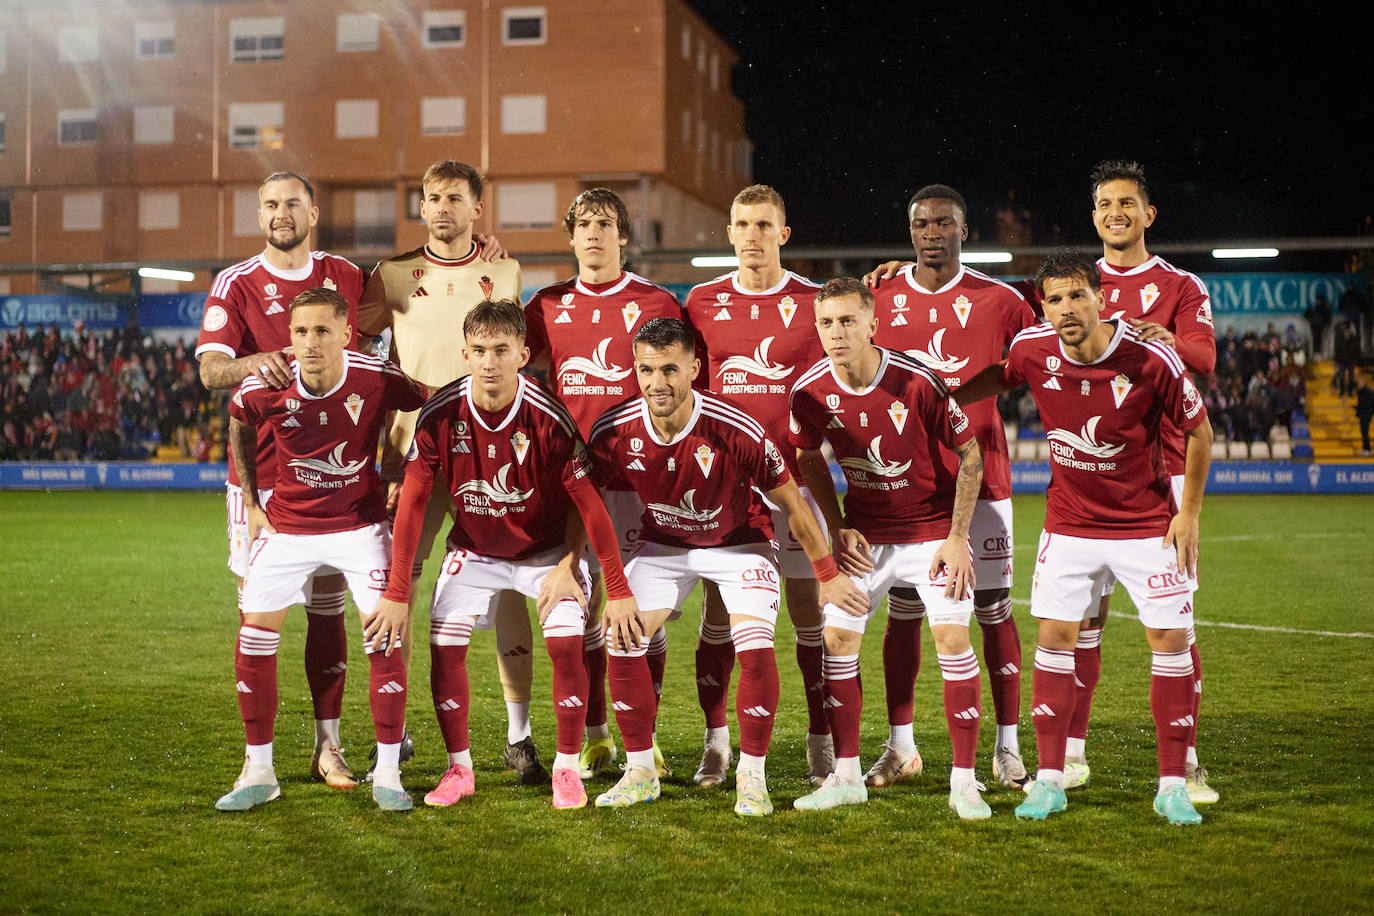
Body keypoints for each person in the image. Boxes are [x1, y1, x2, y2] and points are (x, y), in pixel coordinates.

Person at [954, 249, 1213, 826]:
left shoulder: (1150, 359)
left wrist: (1188, 513)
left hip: (1146, 525)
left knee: (1170, 644)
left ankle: (1173, 783)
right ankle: (1049, 781)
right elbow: (1006, 374)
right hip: (1069, 524)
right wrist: (950, 396)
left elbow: (1200, 431)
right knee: (1055, 639)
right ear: (1042, 306)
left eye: (1077, 295)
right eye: (1054, 299)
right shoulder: (1032, 348)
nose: (1066, 309)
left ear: (1100, 297)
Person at [586, 317, 867, 815]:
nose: (657, 383)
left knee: (754, 645)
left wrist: (827, 574)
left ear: (695, 368)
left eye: (670, 369)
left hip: (741, 542)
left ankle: (751, 777)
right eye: (646, 370)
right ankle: (640, 772)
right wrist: (614, 583)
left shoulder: (736, 428)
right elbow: (586, 504)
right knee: (622, 636)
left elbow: (795, 510)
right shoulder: (613, 429)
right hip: (664, 543)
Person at [368, 300, 641, 810]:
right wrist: (397, 592)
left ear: (523, 354)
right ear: (465, 355)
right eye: (479, 351)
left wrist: (614, 588)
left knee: (565, 641)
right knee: (444, 642)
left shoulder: (549, 418)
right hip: (473, 551)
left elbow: (591, 506)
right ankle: (459, 768)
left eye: (501, 350)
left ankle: (565, 769)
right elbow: (411, 505)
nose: (490, 362)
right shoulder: (439, 415)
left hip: (546, 555)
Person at [354, 160, 546, 784]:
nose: (441, 207)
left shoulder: (505, 271)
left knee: (513, 578)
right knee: (398, 581)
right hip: (414, 451)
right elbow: (357, 342)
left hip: (488, 452)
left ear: (476, 210)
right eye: (431, 197)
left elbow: (511, 353)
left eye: (454, 198)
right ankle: (398, 727)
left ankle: (519, 737)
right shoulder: (394, 276)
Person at [216, 287, 429, 812]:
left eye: (322, 331)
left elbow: (432, 401)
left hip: (359, 527)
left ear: (345, 334)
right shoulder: (266, 382)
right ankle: (259, 769)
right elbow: (239, 424)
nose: (310, 343)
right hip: (287, 529)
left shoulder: (374, 375)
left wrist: (406, 467)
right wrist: (251, 499)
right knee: (253, 636)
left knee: (384, 636)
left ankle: (387, 772)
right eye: (301, 332)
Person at [788, 278, 991, 820]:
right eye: (826, 323)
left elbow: (971, 457)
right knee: (835, 639)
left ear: (872, 325)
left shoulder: (918, 381)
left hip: (930, 533)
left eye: (848, 321)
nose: (837, 333)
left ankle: (965, 782)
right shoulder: (807, 392)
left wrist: (956, 537)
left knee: (951, 636)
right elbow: (808, 458)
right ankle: (847, 776)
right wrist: (835, 526)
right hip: (866, 539)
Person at [863, 184, 1037, 790]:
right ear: (908, 231)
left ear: (965, 231)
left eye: (943, 223)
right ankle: (901, 746)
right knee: (904, 614)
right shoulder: (878, 293)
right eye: (920, 223)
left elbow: (1044, 356)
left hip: (981, 479)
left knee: (992, 609)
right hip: (904, 484)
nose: (931, 232)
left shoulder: (1004, 301)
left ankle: (1008, 748)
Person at [196, 171, 365, 791]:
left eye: (292, 202)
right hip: (260, 482)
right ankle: (256, 759)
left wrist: (483, 255)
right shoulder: (235, 283)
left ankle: (329, 747)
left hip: (334, 479)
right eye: (270, 204)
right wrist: (252, 362)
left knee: (328, 614)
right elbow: (213, 370)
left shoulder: (347, 276)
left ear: (313, 211)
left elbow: (410, 302)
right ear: (258, 212)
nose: (280, 213)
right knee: (258, 617)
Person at [525, 188, 687, 779]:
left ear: (623, 236)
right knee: (587, 608)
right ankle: (596, 736)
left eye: (606, 224)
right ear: (570, 237)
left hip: (643, 477)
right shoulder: (544, 306)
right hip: (571, 480)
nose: (594, 234)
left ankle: (645, 733)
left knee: (642, 608)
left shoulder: (656, 300)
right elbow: (520, 375)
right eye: (584, 224)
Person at [682, 184, 835, 787]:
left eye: (764, 225)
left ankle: (820, 740)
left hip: (793, 485)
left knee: (808, 618)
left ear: (784, 234)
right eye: (742, 224)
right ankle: (716, 744)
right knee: (718, 618)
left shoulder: (813, 300)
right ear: (729, 233)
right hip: (725, 490)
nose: (752, 235)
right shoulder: (700, 301)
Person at [1079, 161, 1218, 803]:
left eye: (1127, 203)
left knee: (1175, 631)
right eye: (1105, 203)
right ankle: (1071, 754)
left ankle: (1187, 762)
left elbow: (1206, 359)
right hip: (1084, 481)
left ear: (1148, 214)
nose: (1115, 212)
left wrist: (1165, 341)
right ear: (1095, 214)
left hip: (1159, 480)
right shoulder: (1076, 284)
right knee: (1081, 624)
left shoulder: (1180, 284)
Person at [1355, 375, 1373, 455]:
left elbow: (1369, 404)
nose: (1359, 383)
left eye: (1360, 382)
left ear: (1364, 382)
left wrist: (1369, 414)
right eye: (1358, 382)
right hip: (1362, 415)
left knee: (1365, 432)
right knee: (1363, 432)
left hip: (1367, 415)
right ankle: (1365, 448)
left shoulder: (1368, 392)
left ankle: (1368, 449)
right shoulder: (1359, 392)